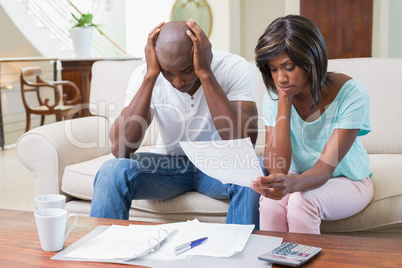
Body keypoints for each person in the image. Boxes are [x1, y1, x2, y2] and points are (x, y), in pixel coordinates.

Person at [90, 20, 262, 228]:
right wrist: (151, 76)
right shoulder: (146, 74)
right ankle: (102, 257)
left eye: (187, 70)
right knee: (111, 170)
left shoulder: (233, 67)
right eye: (168, 72)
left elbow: (244, 142)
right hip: (168, 166)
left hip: (219, 164)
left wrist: (205, 73)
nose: (178, 82)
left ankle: (241, 259)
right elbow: (121, 148)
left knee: (255, 170)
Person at [250, 15, 374, 234]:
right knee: (269, 204)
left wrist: (291, 185)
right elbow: (278, 168)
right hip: (294, 178)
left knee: (301, 203)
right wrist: (284, 103)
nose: (280, 79)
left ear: (312, 61)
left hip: (347, 180)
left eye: (289, 67)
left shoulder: (351, 94)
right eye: (273, 68)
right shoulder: (275, 95)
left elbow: (324, 169)